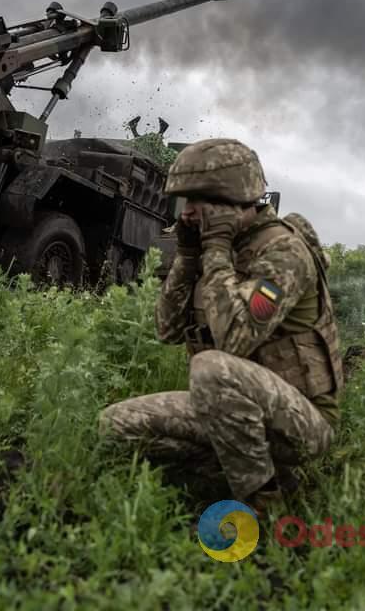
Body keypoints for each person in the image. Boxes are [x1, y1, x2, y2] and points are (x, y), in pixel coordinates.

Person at [99, 138, 343, 513]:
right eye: (184, 203)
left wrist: (214, 248)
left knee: (210, 366)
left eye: (198, 202)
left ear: (234, 199)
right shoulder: (216, 246)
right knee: (115, 425)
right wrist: (188, 255)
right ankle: (229, 469)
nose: (187, 213)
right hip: (231, 412)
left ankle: (265, 508)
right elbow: (167, 330)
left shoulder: (283, 253)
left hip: (300, 423)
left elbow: (233, 341)